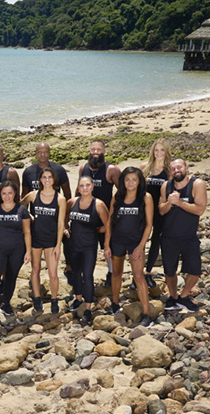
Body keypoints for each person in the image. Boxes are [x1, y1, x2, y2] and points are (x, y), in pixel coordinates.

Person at [104, 168, 154, 327]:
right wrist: (106, 244)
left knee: (138, 276)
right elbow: (109, 222)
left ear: (139, 181)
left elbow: (148, 225)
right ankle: (115, 304)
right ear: (122, 182)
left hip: (135, 243)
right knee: (116, 273)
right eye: (127, 179)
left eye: (134, 179)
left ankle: (146, 314)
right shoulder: (117, 197)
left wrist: (141, 246)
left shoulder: (145, 198)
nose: (130, 183)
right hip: (117, 241)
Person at [159, 158, 207, 313]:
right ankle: (173, 297)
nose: (176, 171)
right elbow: (161, 210)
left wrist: (179, 203)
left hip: (189, 236)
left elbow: (200, 210)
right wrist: (169, 203)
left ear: (186, 167)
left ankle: (184, 296)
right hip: (169, 237)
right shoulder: (166, 185)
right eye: (173, 169)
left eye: (179, 167)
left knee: (195, 271)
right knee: (169, 271)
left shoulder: (197, 184)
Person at [0, 180, 31, 324]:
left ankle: (6, 304)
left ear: (15, 193)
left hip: (17, 250)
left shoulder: (22, 210)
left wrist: (28, 251)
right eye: (4, 193)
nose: (7, 196)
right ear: (0, 194)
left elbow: (27, 232)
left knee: (10, 277)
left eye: (10, 193)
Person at [64, 176, 109, 324]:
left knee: (88, 275)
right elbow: (64, 216)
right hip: (74, 245)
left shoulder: (99, 205)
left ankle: (88, 309)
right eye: (81, 185)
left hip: (89, 246)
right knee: (76, 273)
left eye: (87, 185)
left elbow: (108, 225)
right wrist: (65, 228)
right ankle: (78, 299)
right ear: (78, 187)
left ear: (92, 186)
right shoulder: (72, 202)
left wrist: (98, 231)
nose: (84, 188)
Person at [21, 167, 65, 314]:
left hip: (51, 240)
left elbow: (60, 224)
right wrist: (28, 216)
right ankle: (37, 299)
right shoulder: (33, 195)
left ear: (54, 179)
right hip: (35, 239)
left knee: (53, 273)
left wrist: (58, 245)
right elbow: (20, 206)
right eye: (44, 177)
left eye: (50, 177)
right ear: (40, 179)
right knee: (36, 269)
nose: (47, 180)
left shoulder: (60, 199)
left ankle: (54, 300)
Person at [79, 140, 120, 287]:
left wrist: (115, 215)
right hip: (87, 216)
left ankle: (110, 273)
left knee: (107, 246)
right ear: (89, 151)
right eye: (93, 149)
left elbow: (122, 193)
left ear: (104, 152)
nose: (96, 152)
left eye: (99, 150)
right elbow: (79, 192)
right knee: (86, 247)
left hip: (105, 216)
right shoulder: (83, 168)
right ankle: (84, 275)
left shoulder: (111, 170)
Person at [142, 139, 172, 288]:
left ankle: (148, 273)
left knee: (156, 240)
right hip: (145, 210)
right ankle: (138, 273)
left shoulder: (169, 171)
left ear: (166, 152)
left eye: (162, 150)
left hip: (160, 211)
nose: (159, 153)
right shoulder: (144, 168)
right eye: (156, 150)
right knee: (141, 240)